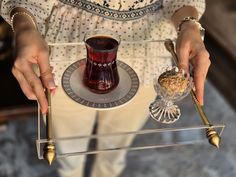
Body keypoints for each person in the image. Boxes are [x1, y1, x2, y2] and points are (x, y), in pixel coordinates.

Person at [0, 0, 210, 177]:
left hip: (146, 58)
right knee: (68, 150)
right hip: (62, 58)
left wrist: (189, 25)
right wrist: (25, 26)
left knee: (115, 149)